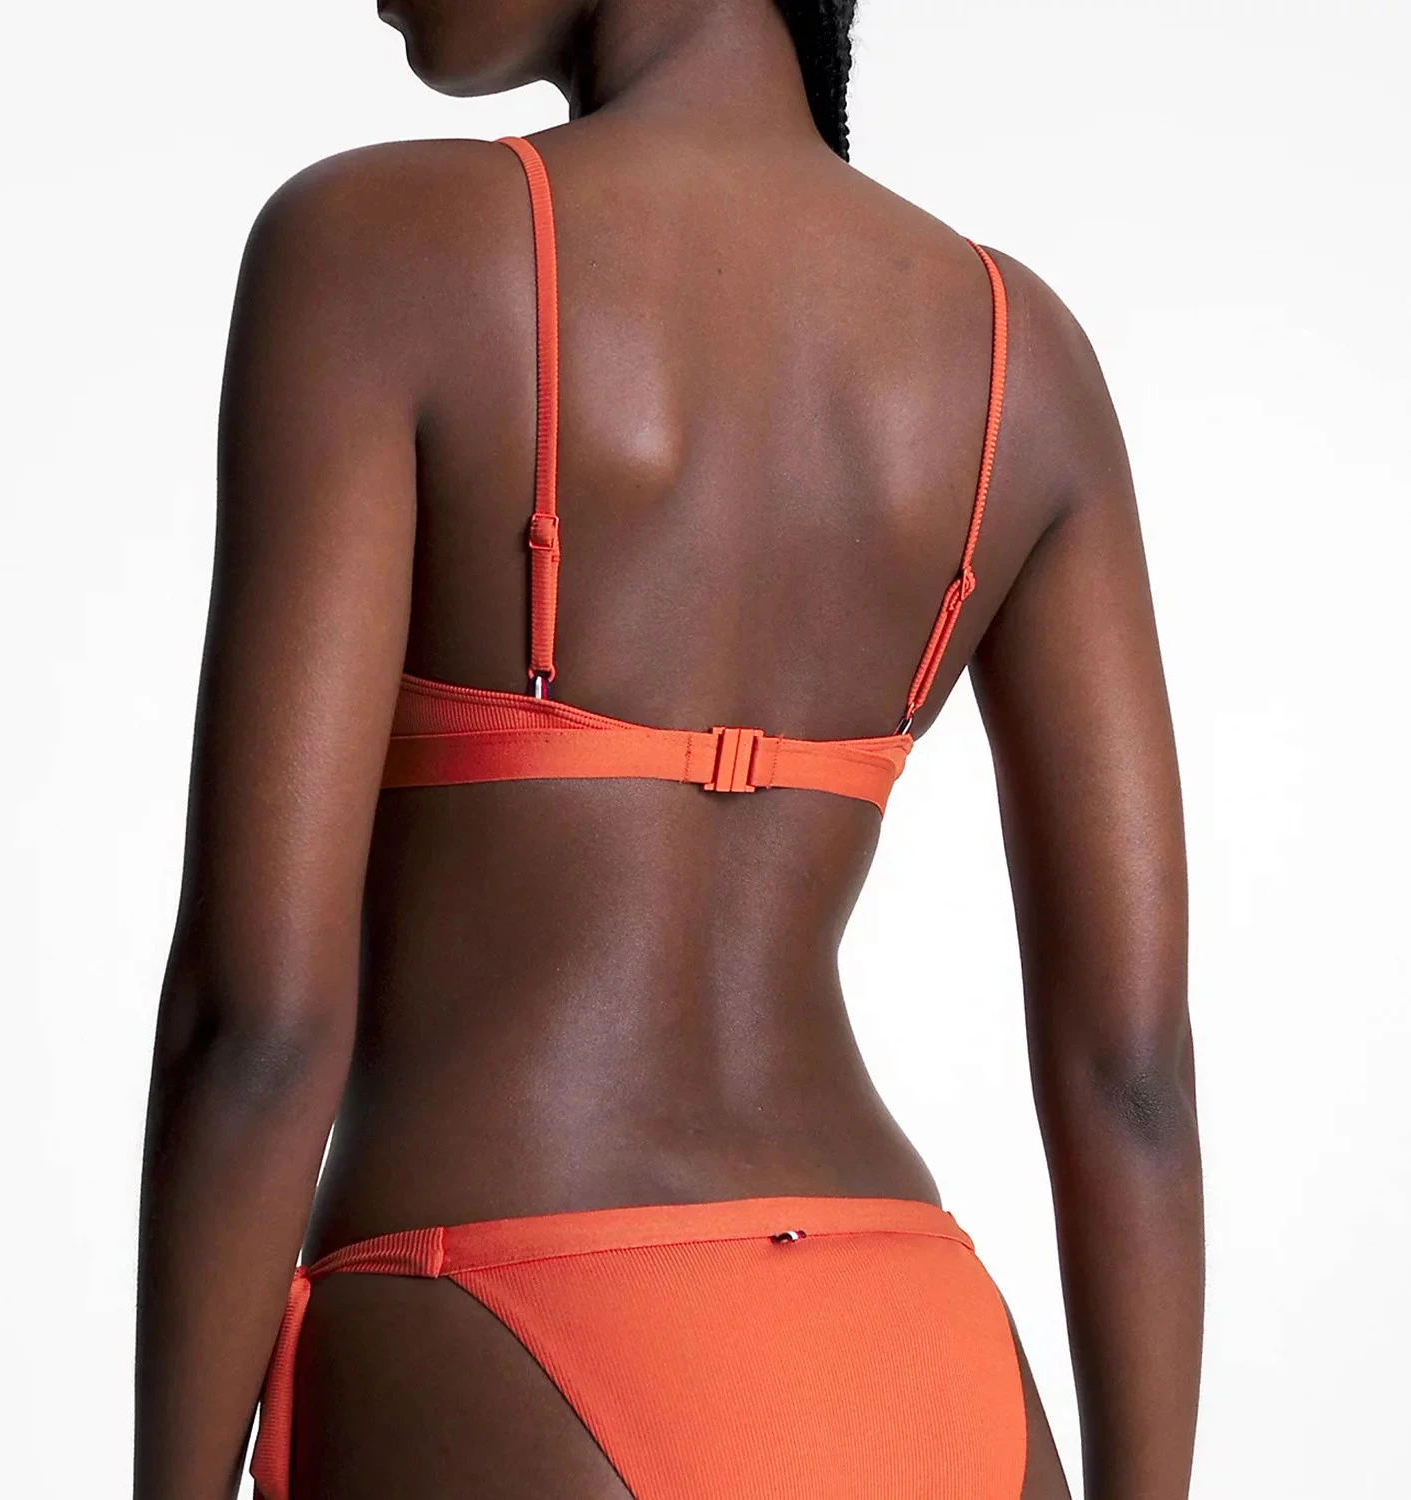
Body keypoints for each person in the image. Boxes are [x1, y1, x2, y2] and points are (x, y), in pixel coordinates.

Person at [134, 2, 1203, 1496]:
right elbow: (1131, 1071)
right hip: (921, 1350)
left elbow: (253, 1024)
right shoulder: (1025, 354)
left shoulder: (376, 249)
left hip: (502, 1320)